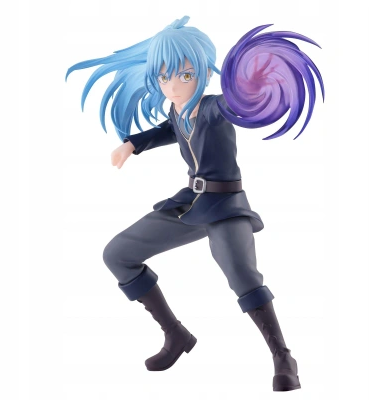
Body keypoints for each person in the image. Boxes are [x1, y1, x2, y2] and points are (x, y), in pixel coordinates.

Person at [66, 16, 324, 391]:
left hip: (226, 205)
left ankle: (283, 356)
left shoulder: (214, 108)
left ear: (201, 72)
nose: (173, 86)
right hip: (190, 203)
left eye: (184, 75)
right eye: (164, 77)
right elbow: (169, 129)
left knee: (241, 273)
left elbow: (233, 104)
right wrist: (132, 144)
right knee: (117, 254)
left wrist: (254, 84)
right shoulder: (177, 110)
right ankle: (175, 335)